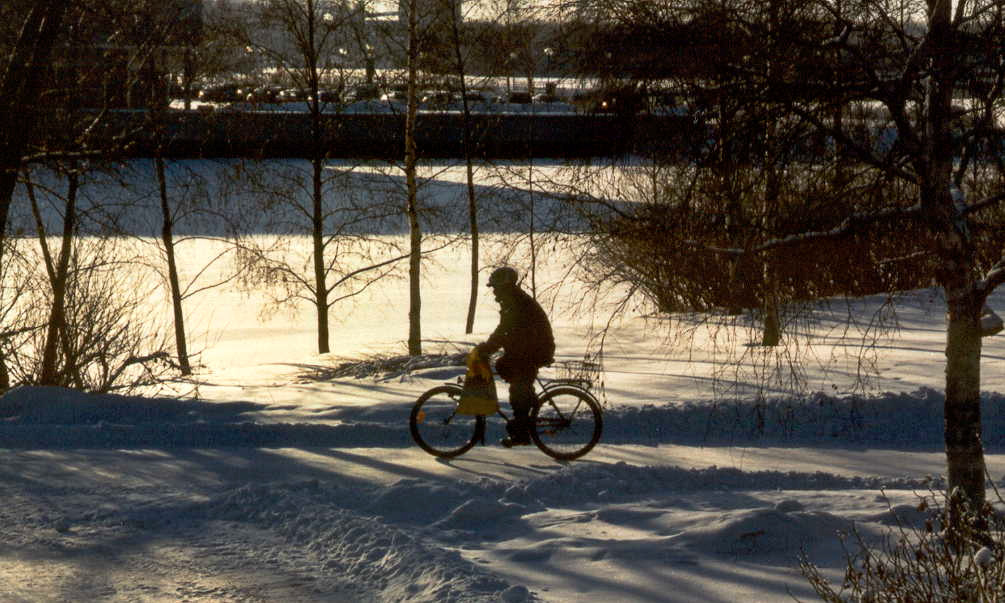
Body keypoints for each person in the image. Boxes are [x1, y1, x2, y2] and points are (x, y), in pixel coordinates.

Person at [476, 266, 555, 447]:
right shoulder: (512, 301)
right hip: (529, 348)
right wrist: (489, 346)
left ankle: (522, 433)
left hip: (535, 350)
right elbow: (504, 330)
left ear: (505, 286)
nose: (494, 291)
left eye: (495, 287)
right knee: (509, 371)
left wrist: (488, 348)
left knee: (517, 386)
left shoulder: (516, 303)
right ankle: (528, 407)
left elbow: (506, 331)